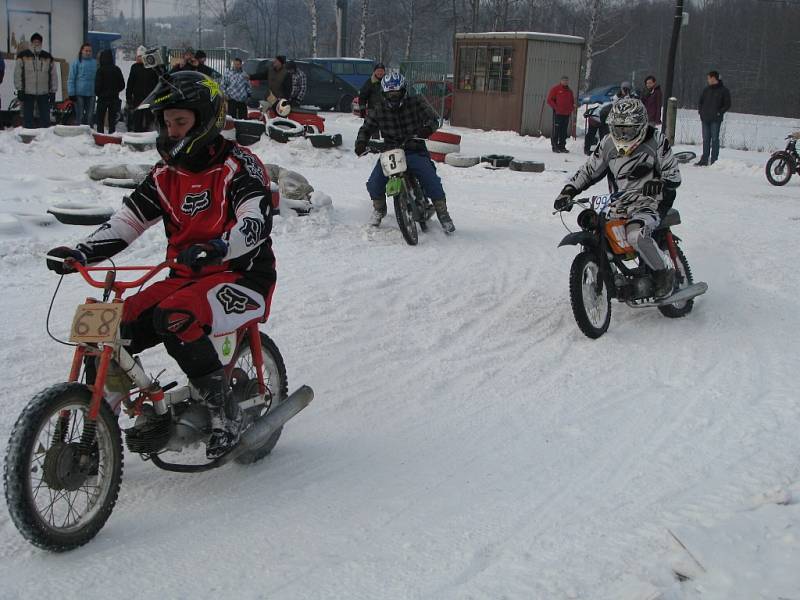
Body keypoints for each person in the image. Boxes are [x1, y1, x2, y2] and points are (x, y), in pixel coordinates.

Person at [45, 71, 276, 459]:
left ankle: (225, 417)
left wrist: (221, 246)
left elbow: (256, 220)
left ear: (204, 120)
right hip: (187, 277)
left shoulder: (239, 165)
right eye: (167, 123)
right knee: (113, 324)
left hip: (242, 274)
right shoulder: (165, 174)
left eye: (181, 122)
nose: (172, 131)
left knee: (175, 316)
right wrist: (82, 252)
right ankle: (100, 419)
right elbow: (129, 220)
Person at [554, 98, 681, 298]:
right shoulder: (607, 144)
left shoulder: (657, 141)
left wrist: (661, 183)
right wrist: (568, 191)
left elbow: (674, 174)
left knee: (635, 235)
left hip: (653, 200)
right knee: (599, 229)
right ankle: (613, 277)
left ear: (640, 126)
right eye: (618, 128)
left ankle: (663, 273)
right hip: (621, 200)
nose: (622, 134)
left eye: (628, 129)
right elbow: (589, 171)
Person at [354, 72, 455, 234]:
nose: (393, 97)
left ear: (403, 91)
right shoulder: (378, 109)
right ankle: (379, 209)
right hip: (390, 151)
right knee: (374, 182)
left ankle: (443, 214)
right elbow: (366, 128)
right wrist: (361, 142)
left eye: (396, 93)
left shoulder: (416, 102)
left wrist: (427, 129)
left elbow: (433, 119)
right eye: (389, 94)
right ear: (384, 93)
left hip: (413, 148)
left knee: (431, 179)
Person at [14, 32, 57, 129]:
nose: (36, 44)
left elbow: (53, 75)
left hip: (44, 93)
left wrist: (53, 91)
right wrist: (19, 89)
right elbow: (17, 74)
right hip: (27, 92)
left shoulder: (48, 56)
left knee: (45, 118)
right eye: (35, 42)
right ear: (31, 43)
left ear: (41, 43)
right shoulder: (23, 56)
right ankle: (28, 137)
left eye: (39, 42)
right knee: (28, 118)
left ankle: (45, 139)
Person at [584, 81, 635, 155]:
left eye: (627, 89)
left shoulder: (626, 98)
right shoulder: (616, 97)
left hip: (605, 118)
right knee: (592, 134)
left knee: (604, 136)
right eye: (624, 89)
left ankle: (602, 151)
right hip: (596, 118)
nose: (625, 91)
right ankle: (587, 149)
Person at [696, 70, 731, 166]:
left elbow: (727, 104)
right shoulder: (706, 90)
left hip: (716, 119)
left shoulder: (724, 90)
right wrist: (701, 112)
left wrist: (720, 112)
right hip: (705, 118)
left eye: (708, 78)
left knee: (715, 139)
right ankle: (704, 159)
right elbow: (700, 101)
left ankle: (714, 160)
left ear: (713, 78)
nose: (707, 80)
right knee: (706, 139)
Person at [126, 46, 160, 132]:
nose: (139, 58)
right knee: (137, 118)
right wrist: (128, 97)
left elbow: (157, 81)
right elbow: (130, 83)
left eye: (141, 57)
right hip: (138, 97)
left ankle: (148, 134)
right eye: (138, 57)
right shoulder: (134, 67)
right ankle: (137, 134)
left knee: (149, 119)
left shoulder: (151, 68)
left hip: (150, 97)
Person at [95, 48, 125, 133]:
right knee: (112, 120)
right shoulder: (117, 69)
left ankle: (100, 135)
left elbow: (97, 86)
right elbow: (122, 85)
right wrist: (116, 91)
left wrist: (99, 93)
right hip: (114, 98)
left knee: (100, 119)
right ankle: (112, 136)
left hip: (102, 99)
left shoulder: (100, 70)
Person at [546, 76, 575, 153]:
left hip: (566, 114)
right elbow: (549, 100)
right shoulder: (556, 89)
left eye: (566, 80)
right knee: (556, 130)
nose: (565, 82)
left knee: (564, 131)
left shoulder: (569, 91)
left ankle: (562, 146)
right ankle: (555, 146)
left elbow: (572, 101)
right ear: (561, 81)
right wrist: (556, 108)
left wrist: (571, 109)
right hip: (558, 113)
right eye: (564, 80)